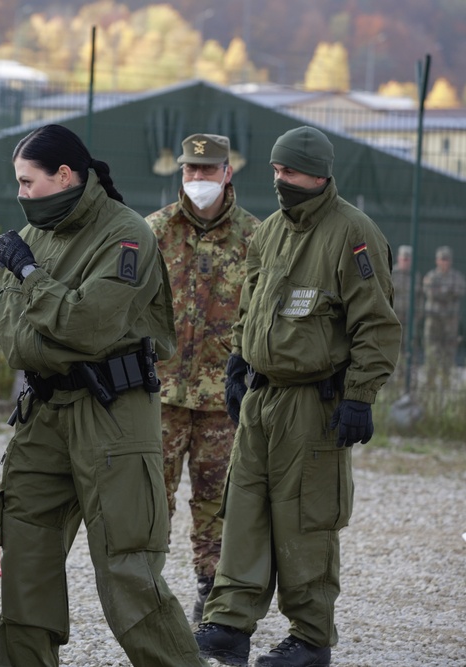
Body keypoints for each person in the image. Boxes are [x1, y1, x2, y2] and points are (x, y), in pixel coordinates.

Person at [0, 124, 205, 667]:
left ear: (65, 176)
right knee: (27, 559)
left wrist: (29, 271)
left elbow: (87, 325)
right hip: (45, 412)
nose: (20, 194)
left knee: (126, 571)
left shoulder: (127, 236)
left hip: (111, 414)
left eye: (28, 182)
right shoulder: (36, 231)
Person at [194, 126, 401, 667]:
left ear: (318, 173)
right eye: (275, 170)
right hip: (262, 399)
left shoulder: (352, 234)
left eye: (289, 171)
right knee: (244, 510)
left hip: (315, 403)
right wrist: (240, 360)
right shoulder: (270, 233)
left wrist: (359, 395)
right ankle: (228, 625)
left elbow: (377, 325)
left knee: (306, 519)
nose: (279, 180)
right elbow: (250, 304)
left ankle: (310, 639)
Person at [144, 133, 261, 624]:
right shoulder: (153, 231)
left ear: (227, 173)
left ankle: (210, 596)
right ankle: (143, 587)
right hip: (161, 393)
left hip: (223, 399)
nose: (197, 180)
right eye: (191, 171)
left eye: (207, 171)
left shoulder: (256, 237)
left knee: (217, 501)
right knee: (151, 495)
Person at [421, 245, 466, 390]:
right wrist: (447, 294)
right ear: (437, 261)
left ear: (450, 261)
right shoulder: (431, 276)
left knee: (449, 351)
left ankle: (446, 383)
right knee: (432, 351)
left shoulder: (456, 277)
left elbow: (459, 290)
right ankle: (430, 383)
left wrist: (441, 292)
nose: (444, 262)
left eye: (447, 259)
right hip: (433, 320)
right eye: (442, 259)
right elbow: (430, 292)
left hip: (450, 321)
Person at [390, 245, 422, 389]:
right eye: (403, 258)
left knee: (410, 351)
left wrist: (417, 316)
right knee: (391, 350)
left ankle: (409, 383)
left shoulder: (416, 276)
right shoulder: (391, 274)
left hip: (410, 322)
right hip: (393, 321)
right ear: (399, 258)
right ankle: (390, 383)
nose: (406, 261)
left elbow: (421, 299)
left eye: (408, 259)